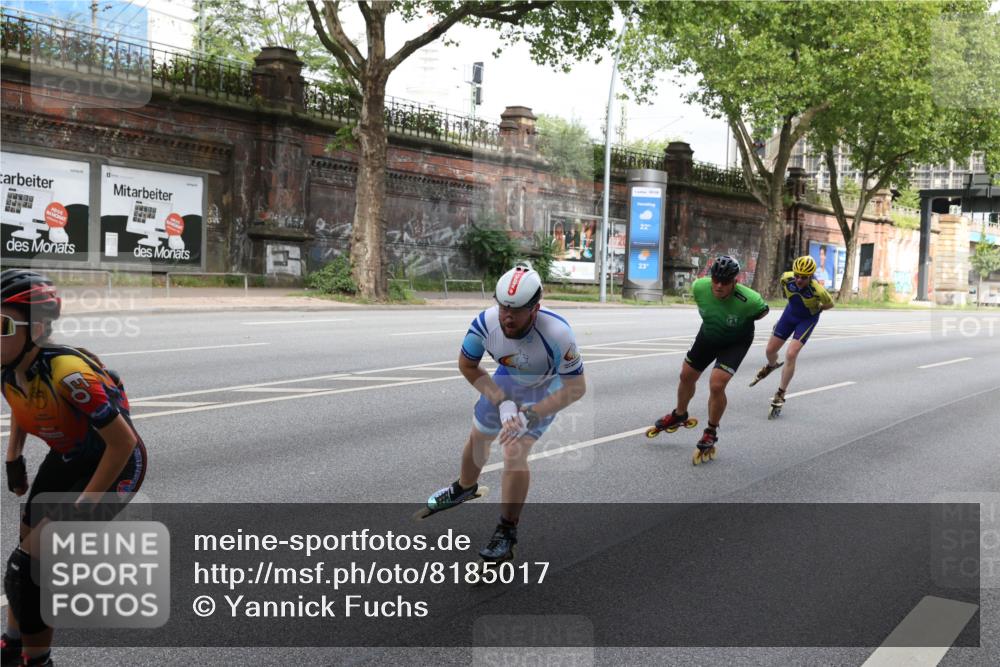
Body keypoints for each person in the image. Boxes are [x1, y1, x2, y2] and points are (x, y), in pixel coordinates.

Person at [1, 269, 147, 667]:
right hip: (67, 457)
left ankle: (39, 659)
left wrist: (86, 503)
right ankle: (12, 645)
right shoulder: (9, 367)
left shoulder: (70, 374)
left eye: (2, 325)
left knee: (26, 570)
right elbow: (20, 401)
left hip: (113, 465)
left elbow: (124, 442)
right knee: (26, 563)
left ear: (38, 328)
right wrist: (13, 457)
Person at [420, 264, 586, 562]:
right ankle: (464, 488)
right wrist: (502, 401)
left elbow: (576, 388)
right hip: (507, 379)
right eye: (503, 308)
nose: (508, 316)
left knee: (514, 449)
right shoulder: (485, 323)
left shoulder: (558, 333)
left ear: (535, 308)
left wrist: (531, 414)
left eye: (517, 310)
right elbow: (467, 366)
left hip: (546, 386)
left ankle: (507, 530)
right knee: (479, 436)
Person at [648, 256, 769, 465]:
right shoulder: (699, 287)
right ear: (710, 277)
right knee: (686, 375)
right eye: (716, 280)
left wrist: (740, 323)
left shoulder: (750, 300)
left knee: (716, 384)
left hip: (736, 342)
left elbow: (763, 312)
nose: (719, 286)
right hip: (709, 335)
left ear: (735, 282)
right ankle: (680, 414)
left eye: (725, 282)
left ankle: (711, 430)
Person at [749, 255, 834, 415]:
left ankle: (781, 393)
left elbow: (830, 304)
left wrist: (819, 309)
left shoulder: (818, 290)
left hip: (807, 319)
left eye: (804, 278)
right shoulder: (786, 278)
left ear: (811, 277)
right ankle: (771, 365)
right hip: (790, 314)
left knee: (791, 353)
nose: (799, 280)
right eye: (797, 276)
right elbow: (787, 289)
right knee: (769, 351)